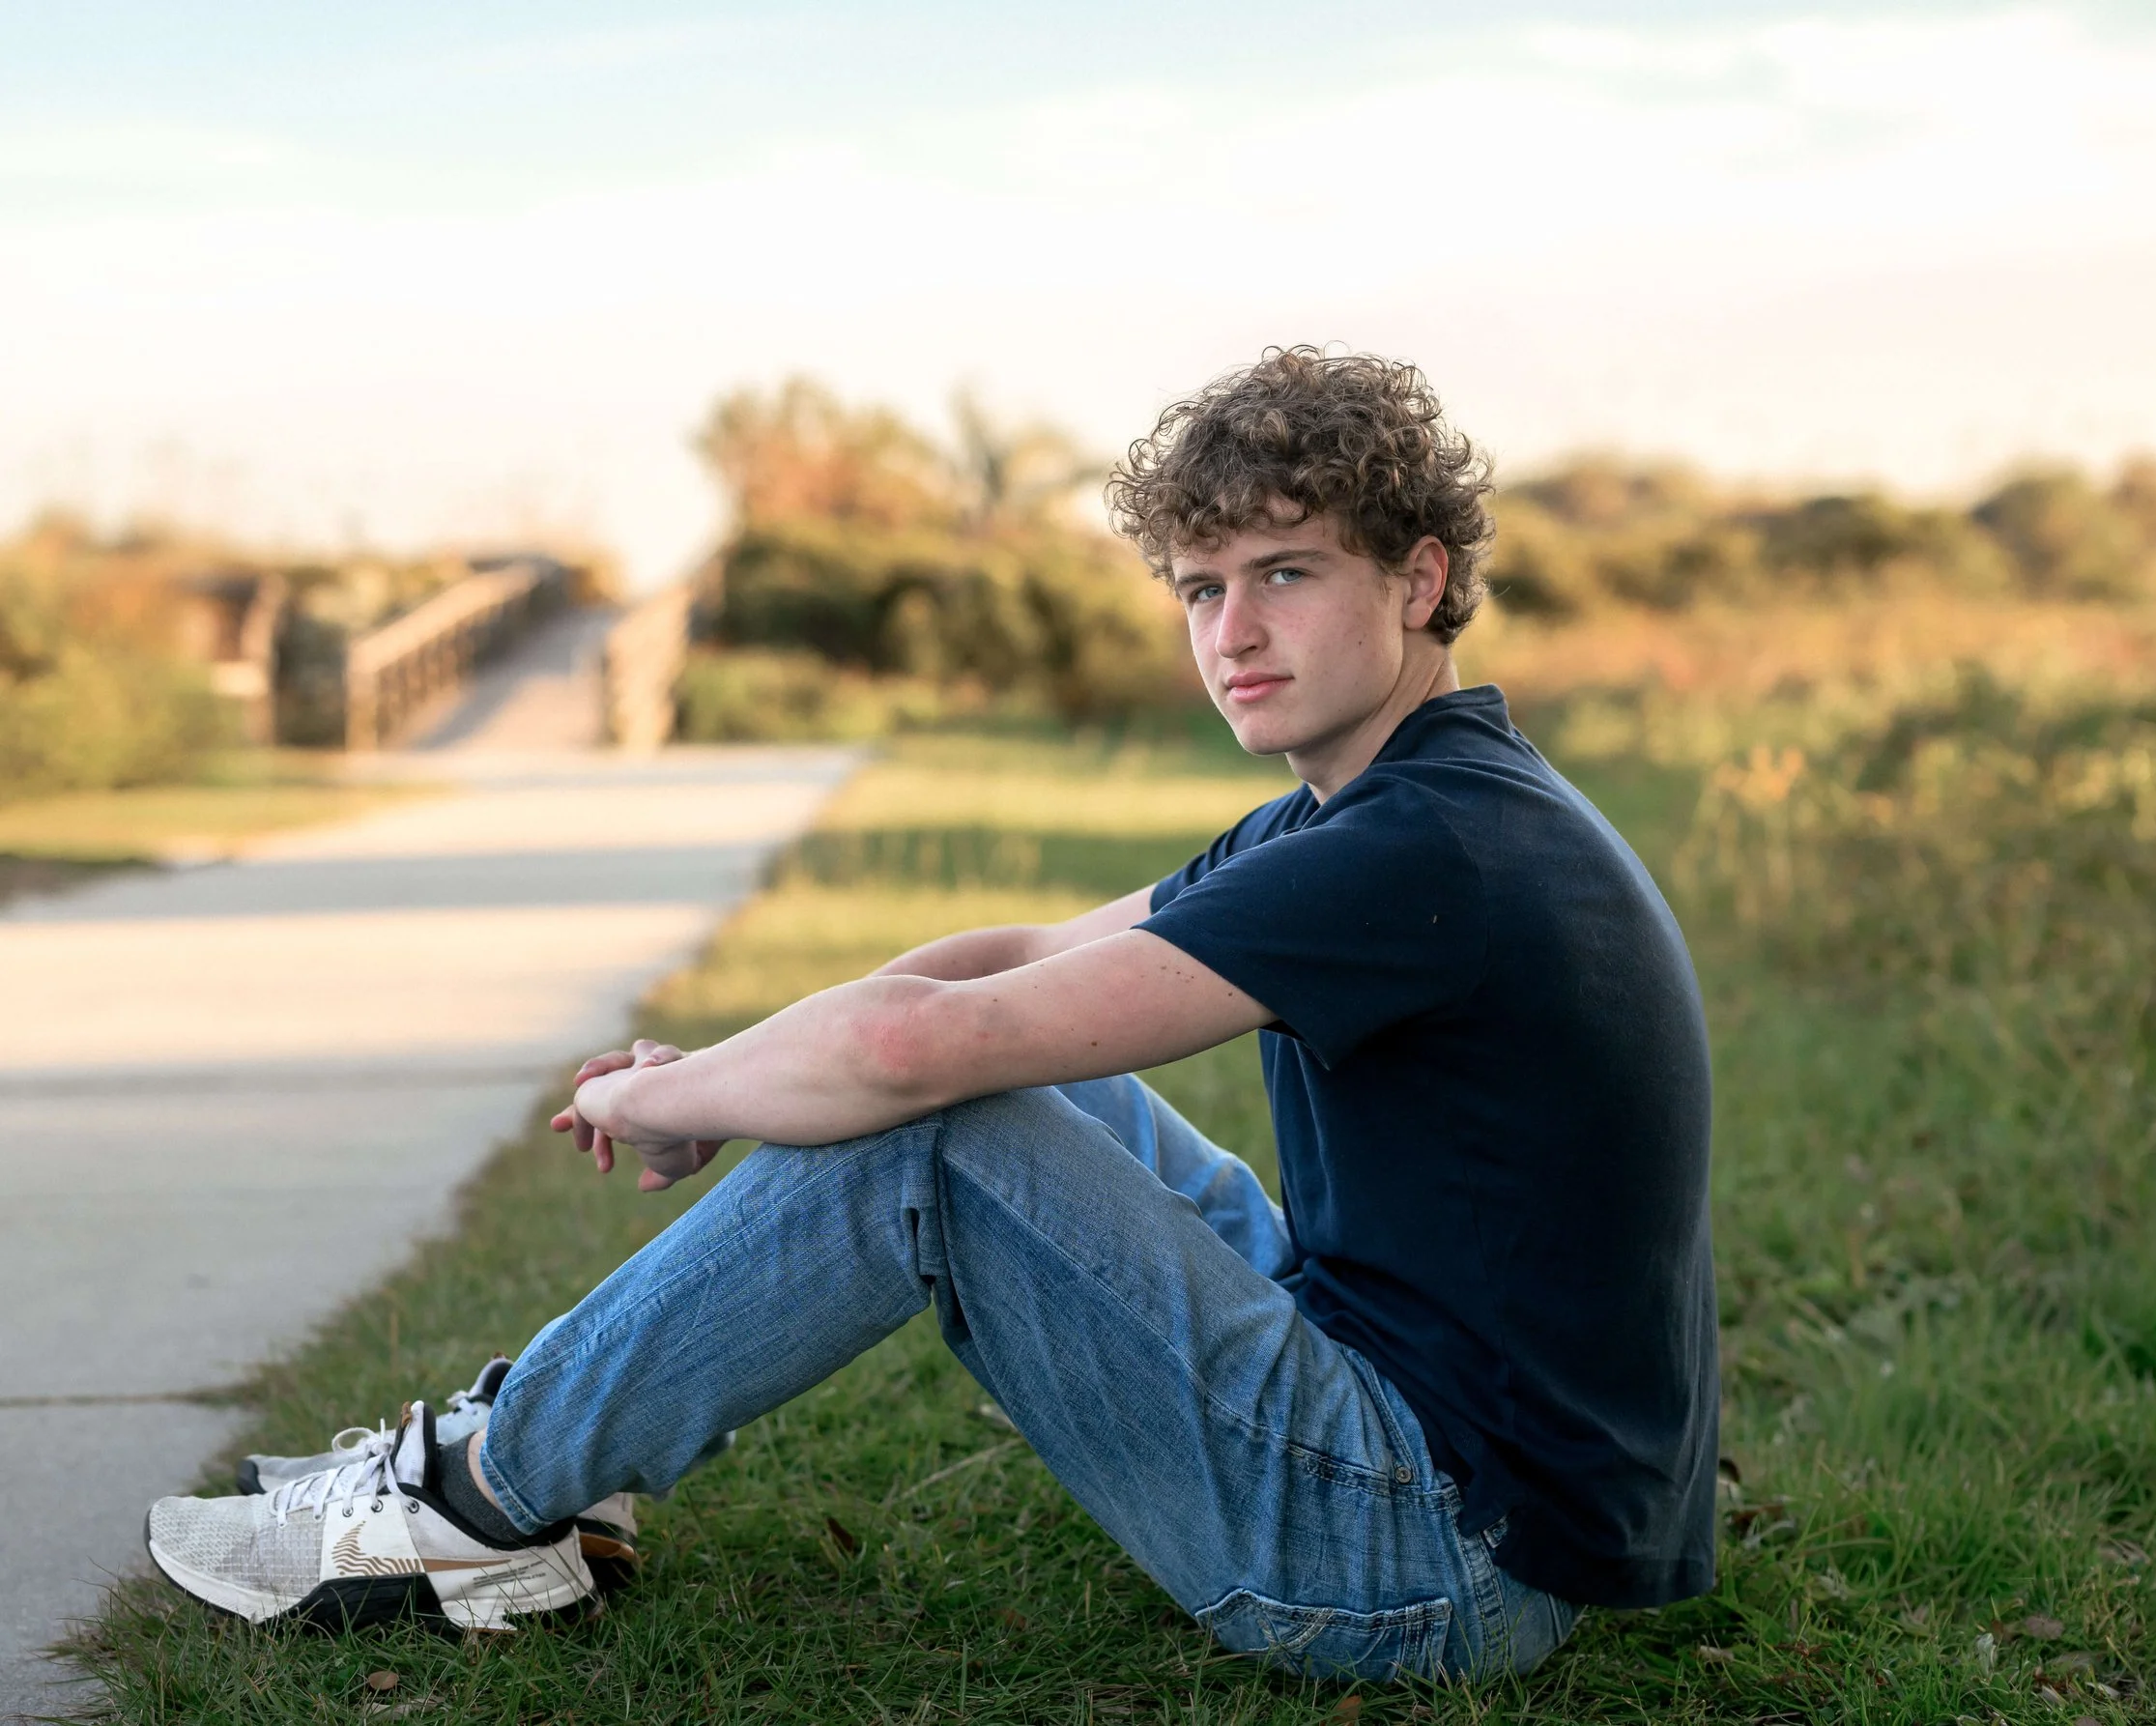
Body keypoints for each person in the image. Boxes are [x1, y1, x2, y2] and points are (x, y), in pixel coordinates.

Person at [145, 347, 1718, 1680]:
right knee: (1023, 1093)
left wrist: (664, 1102)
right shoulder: (1391, 806)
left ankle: (475, 1498)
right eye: (1200, 587)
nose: (1230, 631)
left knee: (936, 1129)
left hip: (1437, 1557)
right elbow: (1009, 953)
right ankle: (549, 1447)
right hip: (1445, 1446)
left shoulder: (1418, 846)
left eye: (1286, 575)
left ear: (1423, 578)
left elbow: (916, 1054)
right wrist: (723, 1067)